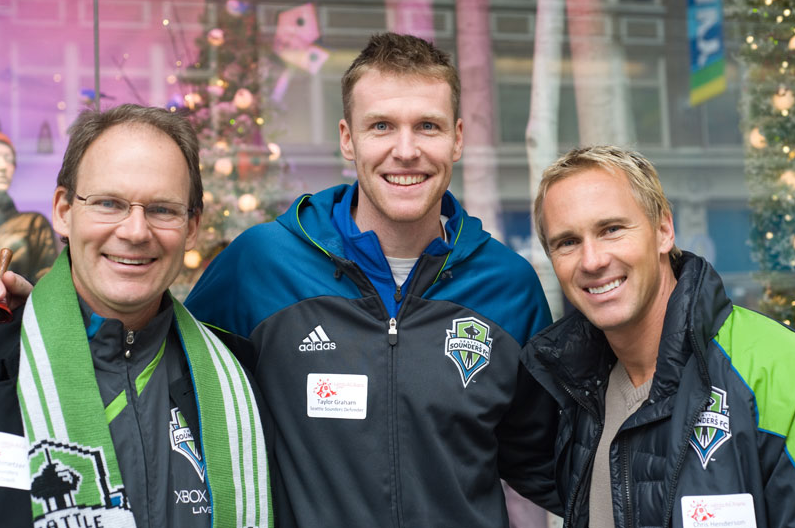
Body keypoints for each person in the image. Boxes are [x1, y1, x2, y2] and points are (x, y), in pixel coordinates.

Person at [185, 33, 560, 527]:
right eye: (381, 126)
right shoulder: (260, 265)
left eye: (428, 126)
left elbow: (548, 463)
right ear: (348, 138)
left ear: (458, 138)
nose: (405, 151)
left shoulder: (508, 286)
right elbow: (176, 400)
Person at [0, 104, 271, 528]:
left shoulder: (243, 379)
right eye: (109, 203)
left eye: (162, 209)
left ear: (192, 226)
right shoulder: (7, 363)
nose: (135, 231)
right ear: (63, 211)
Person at [527, 145, 795, 528]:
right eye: (567, 242)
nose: (592, 260)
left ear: (663, 230)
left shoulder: (775, 365)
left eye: (612, 230)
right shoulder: (574, 391)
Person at [0, 132, 58, 283]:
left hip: (18, 304)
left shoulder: (33, 223)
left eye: (9, 159)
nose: (3, 166)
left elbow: (47, 282)